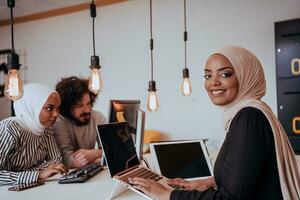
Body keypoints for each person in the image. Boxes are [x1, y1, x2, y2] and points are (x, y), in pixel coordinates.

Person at [129, 45, 300, 200]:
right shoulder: (252, 112)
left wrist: (169, 194)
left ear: (246, 75)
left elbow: (230, 199)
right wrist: (212, 182)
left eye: (225, 74)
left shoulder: (248, 119)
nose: (213, 82)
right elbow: (250, 175)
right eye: (208, 75)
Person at [0, 83, 67, 186]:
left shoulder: (45, 128)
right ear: (32, 106)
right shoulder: (9, 128)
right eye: (49, 108)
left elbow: (56, 162)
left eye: (58, 108)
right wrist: (37, 175)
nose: (56, 114)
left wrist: (34, 174)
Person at [53, 76, 107, 169]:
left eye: (89, 103)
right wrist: (100, 157)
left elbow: (113, 150)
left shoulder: (98, 117)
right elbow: (66, 161)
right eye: (80, 106)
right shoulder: (59, 121)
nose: (87, 110)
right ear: (67, 107)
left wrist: (93, 154)